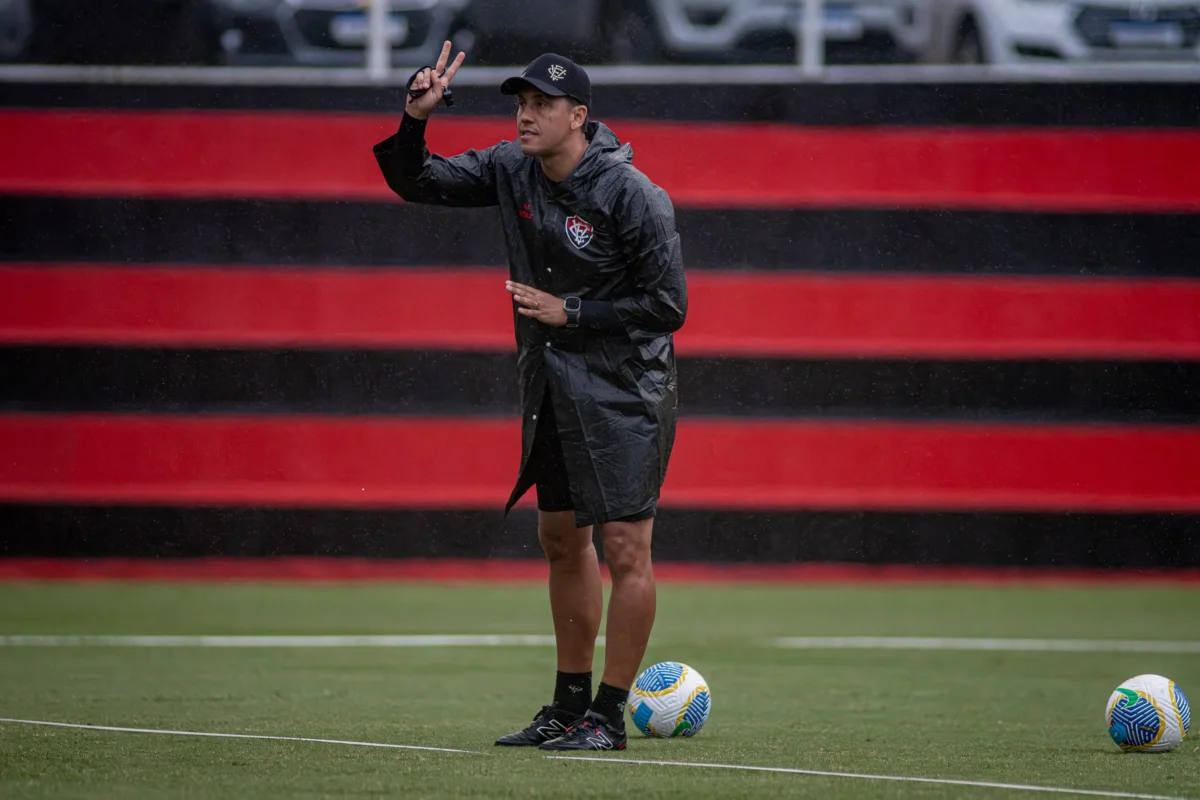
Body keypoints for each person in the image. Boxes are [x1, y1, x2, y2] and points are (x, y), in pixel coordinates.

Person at [373, 42, 687, 752]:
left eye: (542, 105)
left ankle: (608, 716)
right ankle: (566, 705)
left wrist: (571, 313)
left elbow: (669, 306)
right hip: (553, 382)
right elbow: (418, 181)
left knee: (626, 548)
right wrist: (414, 118)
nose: (525, 115)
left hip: (626, 389)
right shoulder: (512, 167)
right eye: (520, 103)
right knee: (558, 539)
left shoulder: (631, 193)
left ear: (579, 116)